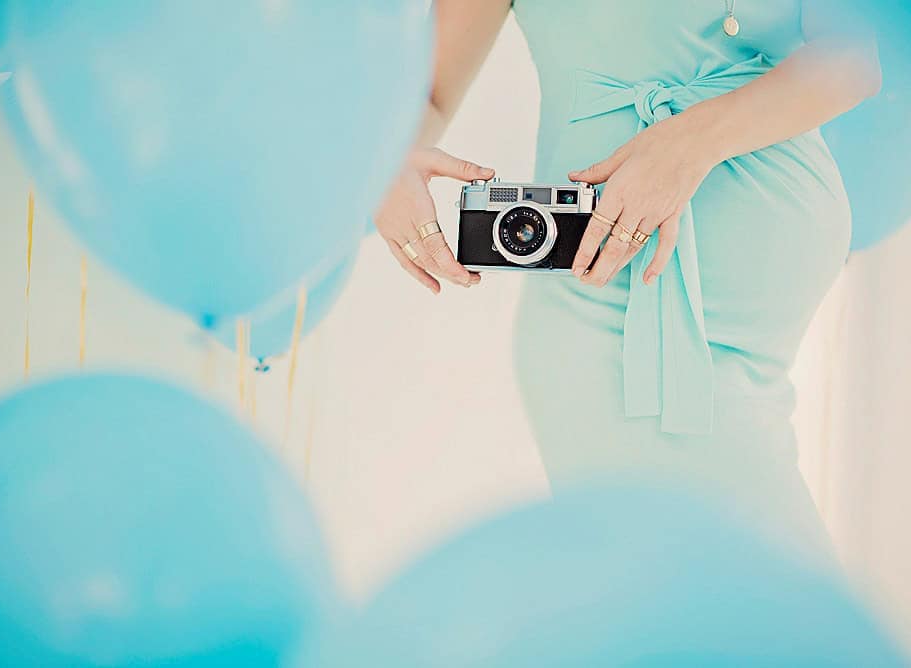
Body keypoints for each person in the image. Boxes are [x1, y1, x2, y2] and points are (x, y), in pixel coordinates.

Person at [373, 0, 880, 561]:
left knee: (744, 607)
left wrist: (687, 146)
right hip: (611, 311)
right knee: (730, 602)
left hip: (755, 340)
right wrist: (382, 162)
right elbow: (431, 91)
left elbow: (854, 60)